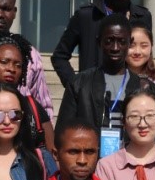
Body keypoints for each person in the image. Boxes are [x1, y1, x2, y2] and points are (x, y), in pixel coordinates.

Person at [51, 0, 153, 89]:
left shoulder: (143, 16)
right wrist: (76, 86)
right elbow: (59, 56)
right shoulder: (86, 16)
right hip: (93, 93)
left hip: (130, 93)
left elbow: (146, 56)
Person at [55, 13, 143, 148]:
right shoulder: (79, 84)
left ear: (129, 43)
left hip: (130, 159)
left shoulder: (142, 87)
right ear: (99, 42)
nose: (115, 48)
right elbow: (63, 133)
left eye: (121, 41)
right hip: (90, 158)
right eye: (109, 41)